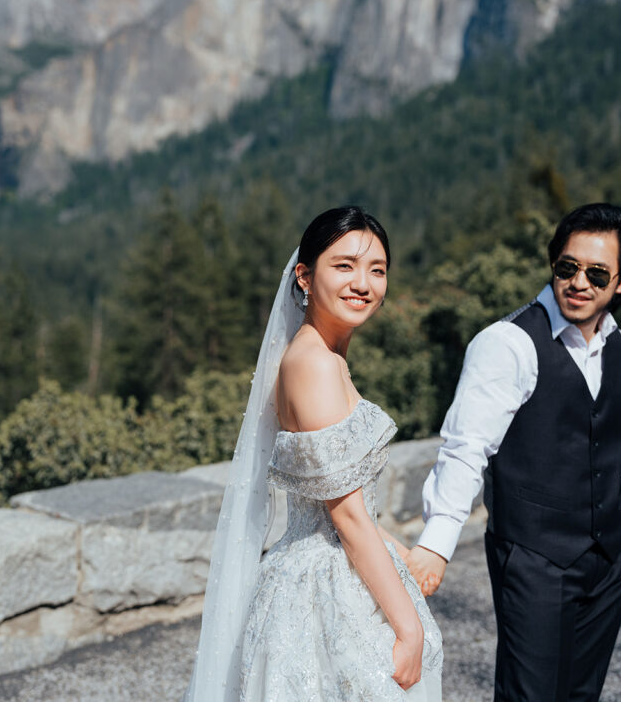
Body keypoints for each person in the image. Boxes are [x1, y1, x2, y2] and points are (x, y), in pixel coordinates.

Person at [184, 206, 442, 702]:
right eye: (344, 265)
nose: (363, 283)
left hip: (329, 563)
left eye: (377, 269)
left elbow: (339, 499)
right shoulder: (314, 365)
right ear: (304, 276)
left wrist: (401, 553)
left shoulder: (321, 356)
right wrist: (409, 630)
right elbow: (345, 517)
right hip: (324, 585)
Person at [407, 203, 621, 702]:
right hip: (534, 557)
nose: (579, 282)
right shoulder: (507, 344)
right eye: (567, 267)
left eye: (597, 273)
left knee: (581, 695)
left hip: (610, 557)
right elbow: (466, 446)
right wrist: (437, 541)